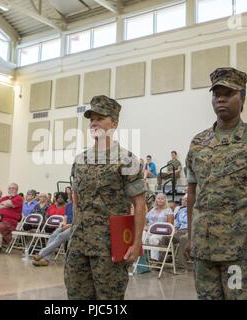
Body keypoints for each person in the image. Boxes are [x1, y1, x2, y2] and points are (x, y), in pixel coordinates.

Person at [185, 67, 247, 300]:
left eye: (228, 93)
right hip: (205, 250)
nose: (221, 98)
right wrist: (190, 237)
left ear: (243, 99)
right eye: (216, 93)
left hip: (243, 250)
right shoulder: (198, 142)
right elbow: (192, 193)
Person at [65, 95, 146, 300]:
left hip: (109, 246)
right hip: (79, 245)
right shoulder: (80, 160)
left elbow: (139, 204)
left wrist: (136, 244)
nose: (94, 123)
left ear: (114, 124)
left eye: (100, 118)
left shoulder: (127, 160)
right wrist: (75, 227)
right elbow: (76, 198)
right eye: (91, 119)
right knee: (76, 296)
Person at [32, 198, 74, 267]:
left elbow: (79, 220)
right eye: (72, 193)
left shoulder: (81, 205)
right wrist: (63, 223)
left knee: (61, 235)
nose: (73, 195)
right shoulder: (69, 205)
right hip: (66, 226)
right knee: (54, 234)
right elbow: (65, 217)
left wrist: (69, 225)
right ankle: (46, 260)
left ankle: (41, 254)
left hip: (75, 227)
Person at [143, 193, 173, 261]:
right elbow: (146, 220)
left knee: (153, 238)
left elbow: (170, 225)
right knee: (142, 235)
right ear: (156, 200)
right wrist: (145, 227)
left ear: (165, 200)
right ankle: (143, 258)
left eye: (162, 199)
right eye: (158, 198)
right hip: (150, 231)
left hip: (161, 232)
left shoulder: (168, 210)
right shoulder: (153, 210)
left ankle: (154, 259)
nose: (160, 200)